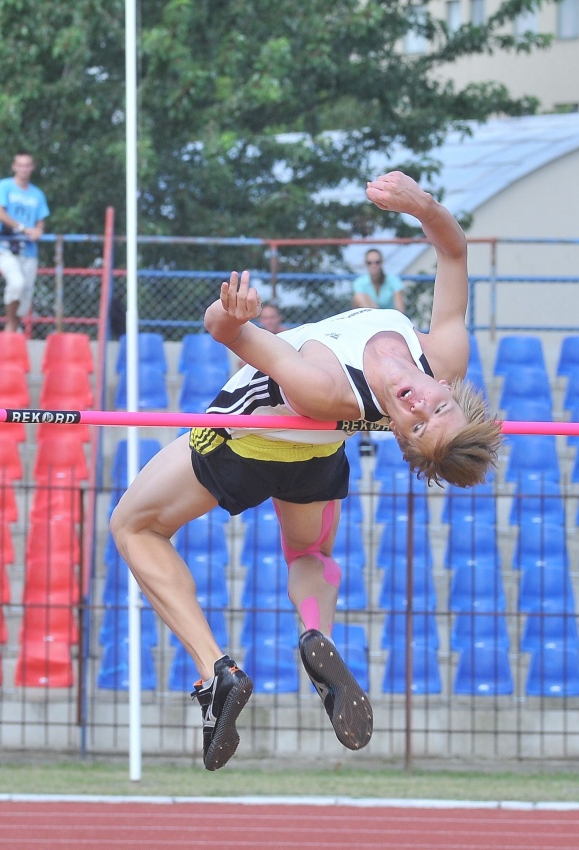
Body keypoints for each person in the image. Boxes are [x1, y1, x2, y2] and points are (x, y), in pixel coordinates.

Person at [109, 171, 501, 771]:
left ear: (398, 436)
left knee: (133, 526)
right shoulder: (443, 351)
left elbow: (223, 332)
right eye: (434, 410)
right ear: (445, 385)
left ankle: (214, 671)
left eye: (417, 427)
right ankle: (318, 635)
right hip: (317, 458)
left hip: (245, 436)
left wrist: (229, 311)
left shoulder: (325, 390)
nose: (419, 409)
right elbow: (453, 249)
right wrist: (424, 206)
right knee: (309, 555)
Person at [0, 151, 50, 333]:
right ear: (14, 166)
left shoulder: (37, 194)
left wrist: (38, 230)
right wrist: (23, 228)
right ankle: (10, 324)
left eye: (27, 165)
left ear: (32, 167)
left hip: (29, 250)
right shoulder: (4, 186)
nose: (24, 169)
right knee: (16, 283)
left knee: (26, 293)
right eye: (20, 165)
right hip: (5, 245)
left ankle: (16, 325)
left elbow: (41, 219)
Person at [351, 248, 405, 313]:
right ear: (365, 263)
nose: (373, 265)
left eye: (377, 262)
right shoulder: (359, 283)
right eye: (369, 263)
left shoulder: (394, 281)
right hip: (368, 318)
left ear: (382, 262)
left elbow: (400, 309)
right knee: (359, 297)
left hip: (389, 319)